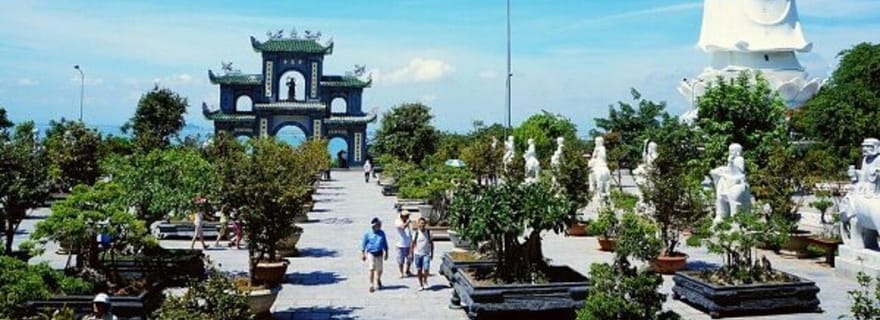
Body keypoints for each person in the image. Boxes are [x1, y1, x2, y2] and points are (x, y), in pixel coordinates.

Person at [361, 217, 389, 293]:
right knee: (371, 268)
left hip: (380, 253)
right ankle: (371, 285)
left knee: (380, 269)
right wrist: (363, 254)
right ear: (373, 226)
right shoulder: (367, 234)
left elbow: (385, 243)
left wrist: (386, 253)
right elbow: (363, 244)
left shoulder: (382, 233)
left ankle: (378, 279)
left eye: (380, 225)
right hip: (371, 253)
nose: (379, 226)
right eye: (378, 225)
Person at [410, 217, 434, 291]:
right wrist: (411, 254)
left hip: (426, 253)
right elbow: (412, 244)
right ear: (418, 224)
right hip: (417, 254)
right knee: (419, 270)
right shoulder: (416, 233)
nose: (422, 225)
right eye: (420, 223)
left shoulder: (429, 233)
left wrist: (432, 253)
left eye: (423, 223)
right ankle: (421, 284)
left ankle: (425, 280)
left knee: (426, 268)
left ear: (425, 224)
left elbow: (431, 244)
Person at [394, 210, 413, 278]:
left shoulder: (409, 223)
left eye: (408, 216)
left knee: (410, 259)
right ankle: (401, 272)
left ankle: (407, 270)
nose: (408, 217)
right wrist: (407, 223)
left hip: (409, 243)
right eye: (407, 216)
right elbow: (402, 227)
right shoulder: (398, 221)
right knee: (400, 260)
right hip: (400, 244)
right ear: (402, 216)